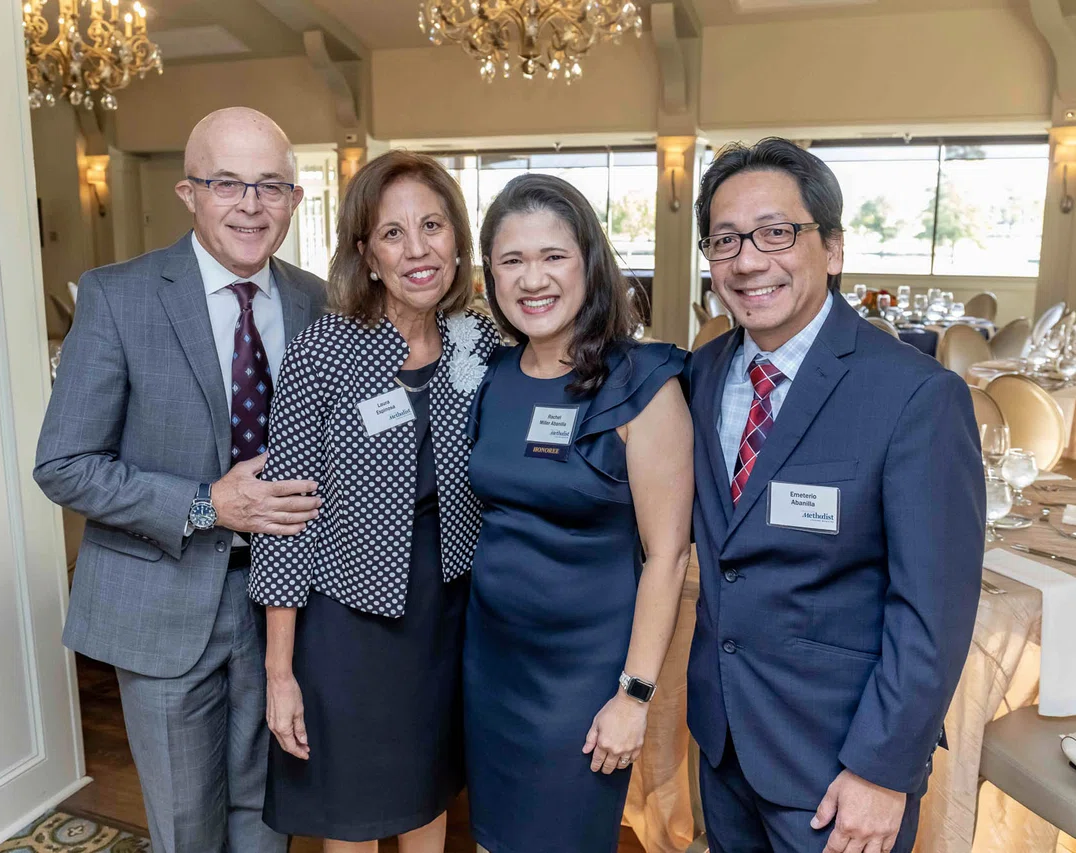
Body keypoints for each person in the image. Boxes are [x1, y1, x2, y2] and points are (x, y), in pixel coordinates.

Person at [34, 107, 326, 853]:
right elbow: (64, 465)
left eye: (271, 185)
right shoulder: (118, 296)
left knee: (268, 817)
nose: (251, 205)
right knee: (187, 826)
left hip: (288, 608)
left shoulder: (319, 302)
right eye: (227, 183)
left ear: (295, 199)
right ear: (188, 192)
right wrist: (206, 504)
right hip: (162, 600)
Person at [685, 138, 985, 853]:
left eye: (776, 233)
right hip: (724, 741)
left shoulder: (916, 394)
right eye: (725, 240)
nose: (748, 261)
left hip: (839, 765)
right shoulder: (699, 376)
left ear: (834, 248)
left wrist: (883, 767)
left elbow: (933, 609)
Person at [248, 150, 500, 852]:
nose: (417, 249)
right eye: (393, 233)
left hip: (447, 616)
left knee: (426, 796)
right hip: (345, 626)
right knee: (354, 815)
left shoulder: (479, 339)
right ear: (366, 253)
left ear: (457, 239)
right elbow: (285, 519)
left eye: (432, 226)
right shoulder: (323, 351)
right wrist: (279, 673)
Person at [463, 173, 694, 853]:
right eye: (512, 260)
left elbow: (668, 556)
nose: (532, 279)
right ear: (491, 275)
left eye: (553, 256)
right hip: (491, 664)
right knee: (494, 839)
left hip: (585, 675)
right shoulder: (494, 376)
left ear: (589, 263)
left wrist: (634, 695)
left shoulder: (642, 384)